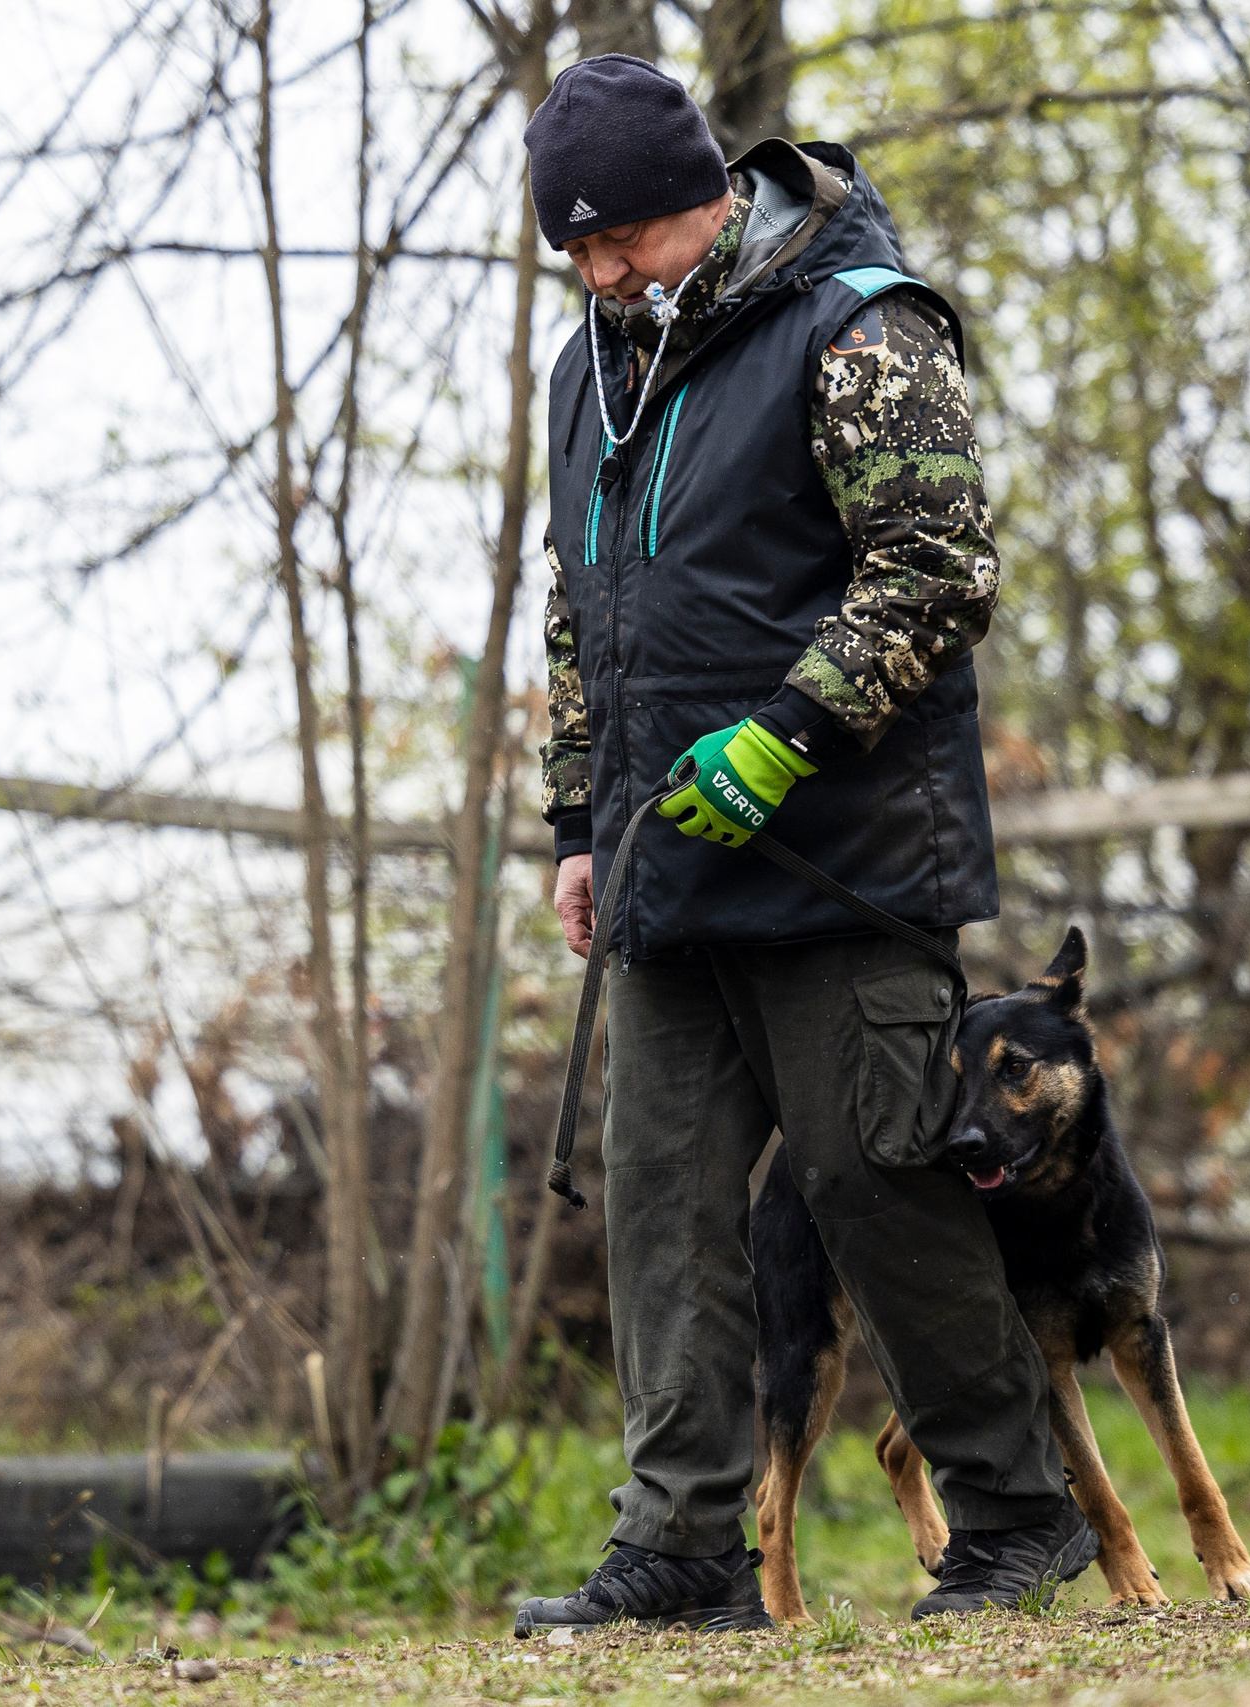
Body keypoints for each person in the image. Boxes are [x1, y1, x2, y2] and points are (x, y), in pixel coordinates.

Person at [511, 55, 1094, 1634]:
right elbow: (586, 614)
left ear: (706, 195)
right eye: (574, 250)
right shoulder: (592, 371)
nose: (601, 272)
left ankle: (1016, 1514)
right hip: (663, 861)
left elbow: (937, 564)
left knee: (880, 1184)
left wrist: (788, 732)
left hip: (846, 854)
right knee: (663, 1200)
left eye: (623, 236)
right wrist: (577, 821)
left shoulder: (861, 323)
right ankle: (685, 1547)